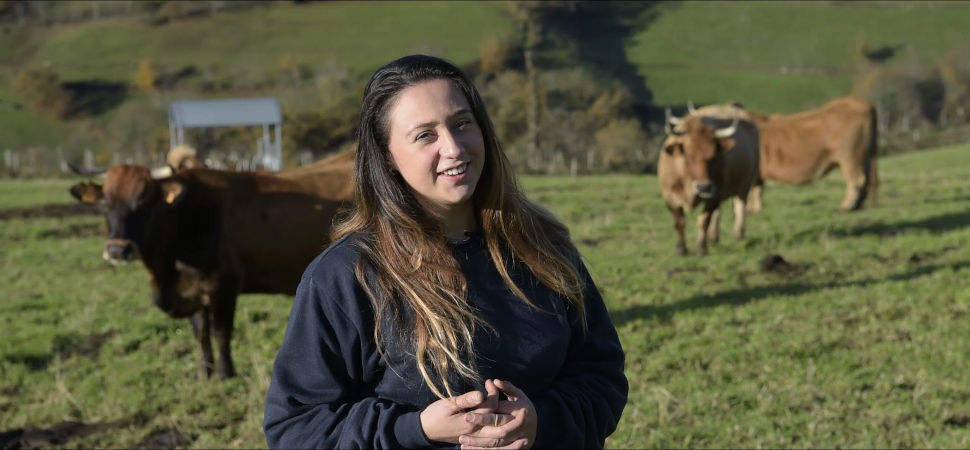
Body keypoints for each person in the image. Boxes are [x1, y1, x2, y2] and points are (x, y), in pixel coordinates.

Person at [263, 54, 627, 449]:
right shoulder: (345, 277)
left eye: (461, 124)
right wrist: (416, 431)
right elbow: (296, 429)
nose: (453, 148)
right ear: (387, 157)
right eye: (425, 135)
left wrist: (541, 421)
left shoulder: (544, 247)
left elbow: (601, 376)